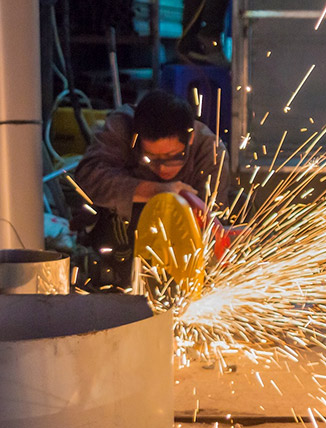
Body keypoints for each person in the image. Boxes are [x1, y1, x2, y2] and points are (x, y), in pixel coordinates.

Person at [75, 89, 230, 287]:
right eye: (151, 158)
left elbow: (214, 223)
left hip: (183, 250)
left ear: (190, 138)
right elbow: (88, 178)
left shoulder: (211, 151)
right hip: (119, 237)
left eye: (173, 157)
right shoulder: (121, 127)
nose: (162, 168)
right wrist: (156, 191)